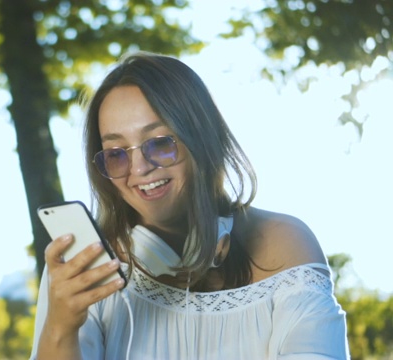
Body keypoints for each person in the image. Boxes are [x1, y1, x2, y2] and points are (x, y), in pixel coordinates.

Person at [29, 51, 349, 359]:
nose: (139, 169)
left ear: (203, 139)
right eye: (116, 153)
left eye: (159, 143)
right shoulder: (82, 270)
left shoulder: (285, 245)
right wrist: (60, 328)